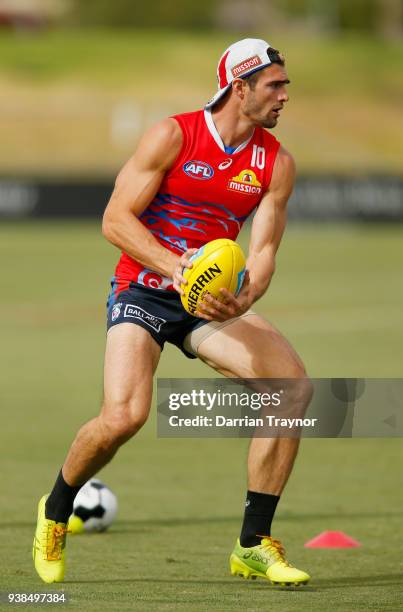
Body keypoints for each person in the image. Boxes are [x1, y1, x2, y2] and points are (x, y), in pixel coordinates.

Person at [33, 38, 312, 585]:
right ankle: (56, 509)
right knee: (124, 416)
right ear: (241, 86)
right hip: (144, 288)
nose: (284, 96)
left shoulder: (275, 163)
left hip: (211, 301)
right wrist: (175, 267)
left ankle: (252, 544)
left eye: (286, 85)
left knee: (292, 387)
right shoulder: (173, 134)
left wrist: (245, 294)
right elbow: (115, 218)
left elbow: (263, 252)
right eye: (275, 85)